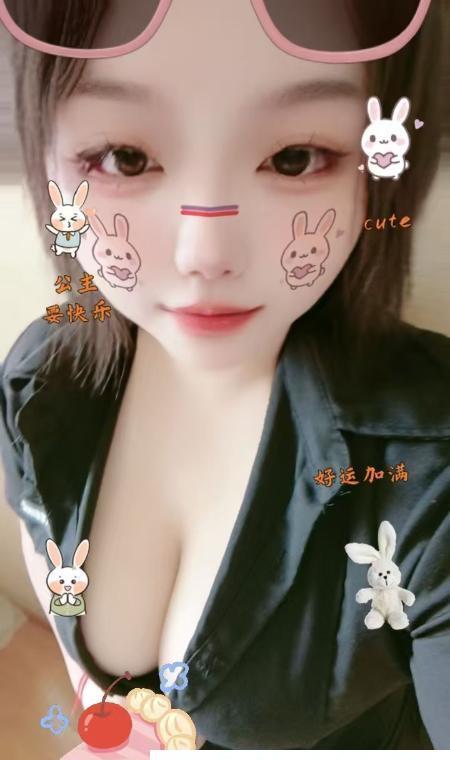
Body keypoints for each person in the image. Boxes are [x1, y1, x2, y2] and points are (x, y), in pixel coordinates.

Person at [0, 0, 449, 750]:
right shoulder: (40, 378)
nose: (204, 255)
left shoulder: (430, 470)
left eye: (296, 158)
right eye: (124, 158)